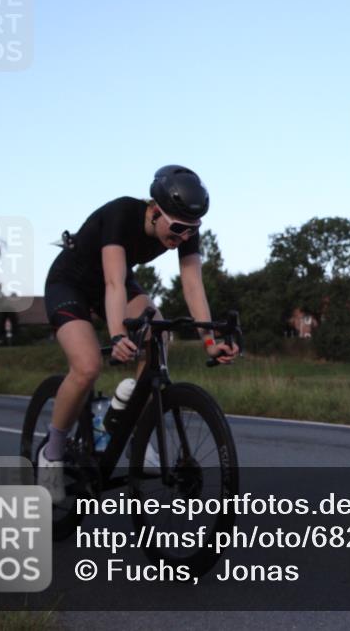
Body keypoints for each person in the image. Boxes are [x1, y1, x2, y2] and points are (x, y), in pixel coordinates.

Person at [38, 165, 238, 502]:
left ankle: (135, 431)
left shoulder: (184, 228)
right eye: (177, 229)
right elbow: (114, 282)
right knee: (87, 365)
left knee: (157, 334)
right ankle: (51, 452)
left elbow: (193, 286)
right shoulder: (121, 213)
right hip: (71, 283)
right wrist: (118, 335)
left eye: (192, 230)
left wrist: (209, 342)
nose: (183, 238)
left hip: (113, 283)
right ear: (155, 210)